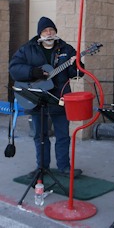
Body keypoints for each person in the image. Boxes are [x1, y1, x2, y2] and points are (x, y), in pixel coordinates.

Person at [9, 16, 84, 177]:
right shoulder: (27, 49)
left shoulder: (66, 49)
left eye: (52, 30)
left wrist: (78, 64)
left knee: (63, 135)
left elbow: (77, 74)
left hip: (60, 99)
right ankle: (42, 168)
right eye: (45, 31)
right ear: (40, 34)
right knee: (40, 136)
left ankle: (64, 167)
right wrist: (32, 72)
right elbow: (14, 68)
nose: (49, 33)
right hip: (36, 99)